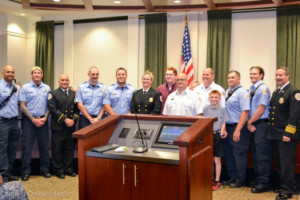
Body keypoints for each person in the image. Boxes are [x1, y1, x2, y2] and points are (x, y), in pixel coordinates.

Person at [267, 67, 300, 200]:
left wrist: (288, 133)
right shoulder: (276, 92)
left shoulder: (294, 92)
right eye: (276, 75)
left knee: (287, 164)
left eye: (280, 75)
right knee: (280, 163)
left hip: (286, 135)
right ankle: (286, 186)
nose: (278, 77)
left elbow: (294, 115)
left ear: (287, 76)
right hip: (275, 134)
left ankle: (287, 191)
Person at [19, 66, 51, 181]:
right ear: (31, 75)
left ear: (42, 75)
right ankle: (25, 171)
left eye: (39, 73)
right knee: (27, 147)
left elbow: (50, 105)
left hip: (43, 121)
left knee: (44, 146)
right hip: (29, 121)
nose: (37, 75)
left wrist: (45, 118)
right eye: (35, 73)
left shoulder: (47, 88)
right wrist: (33, 119)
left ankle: (45, 169)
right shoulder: (26, 87)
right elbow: (22, 105)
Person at [47, 74, 79, 179]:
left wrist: (73, 120)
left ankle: (68, 169)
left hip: (70, 127)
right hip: (59, 126)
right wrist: (65, 119)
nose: (65, 82)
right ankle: (58, 170)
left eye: (66, 80)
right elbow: (52, 108)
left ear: (69, 81)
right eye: (62, 80)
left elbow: (77, 109)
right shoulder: (53, 93)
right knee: (57, 150)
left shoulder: (73, 93)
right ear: (58, 81)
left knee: (69, 149)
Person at [247, 66, 272, 193]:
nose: (252, 76)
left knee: (262, 155)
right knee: (256, 154)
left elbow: (261, 110)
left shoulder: (263, 89)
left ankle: (263, 183)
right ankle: (258, 179)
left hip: (261, 125)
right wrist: (250, 123)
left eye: (255, 74)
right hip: (255, 124)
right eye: (251, 74)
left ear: (261, 75)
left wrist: (248, 122)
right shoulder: (253, 88)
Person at [223, 70, 250, 188]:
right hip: (227, 127)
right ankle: (232, 177)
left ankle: (240, 178)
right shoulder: (227, 92)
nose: (230, 80)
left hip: (238, 127)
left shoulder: (242, 92)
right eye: (229, 77)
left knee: (238, 154)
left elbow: (245, 112)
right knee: (229, 154)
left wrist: (238, 130)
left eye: (233, 77)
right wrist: (224, 128)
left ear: (239, 79)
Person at [203, 90, 228, 191]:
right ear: (209, 98)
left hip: (218, 136)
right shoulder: (205, 108)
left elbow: (224, 122)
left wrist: (222, 131)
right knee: (209, 159)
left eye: (216, 97)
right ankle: (211, 179)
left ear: (219, 98)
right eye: (212, 97)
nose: (214, 99)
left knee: (217, 159)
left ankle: (217, 180)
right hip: (208, 136)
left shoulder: (222, 109)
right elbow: (203, 122)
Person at [0, 65, 20, 183]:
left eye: (12, 72)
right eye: (8, 72)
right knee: (2, 149)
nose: (10, 74)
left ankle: (9, 172)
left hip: (14, 121)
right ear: (3, 73)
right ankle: (3, 175)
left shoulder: (16, 88)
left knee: (12, 148)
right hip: (2, 122)